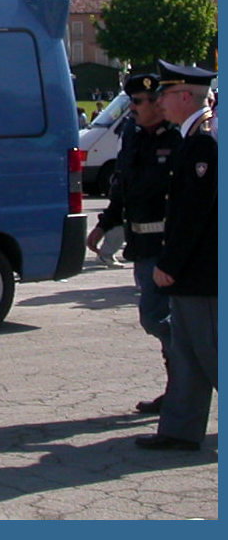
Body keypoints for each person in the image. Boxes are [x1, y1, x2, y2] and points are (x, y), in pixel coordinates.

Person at [86, 73, 181, 414]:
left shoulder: (179, 138)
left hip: (169, 244)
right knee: (159, 319)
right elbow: (123, 186)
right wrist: (104, 225)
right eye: (129, 102)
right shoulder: (132, 135)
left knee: (158, 318)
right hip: (142, 244)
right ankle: (179, 388)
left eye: (138, 102)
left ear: (158, 102)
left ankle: (185, 388)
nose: (133, 109)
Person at [135, 61, 217, 452]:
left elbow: (196, 215)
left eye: (164, 94)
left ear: (185, 96)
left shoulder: (205, 142)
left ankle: (181, 428)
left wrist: (169, 263)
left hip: (203, 273)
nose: (157, 102)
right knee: (186, 355)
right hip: (191, 273)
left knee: (213, 353)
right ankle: (181, 430)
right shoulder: (191, 139)